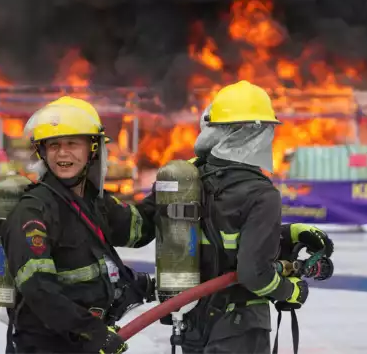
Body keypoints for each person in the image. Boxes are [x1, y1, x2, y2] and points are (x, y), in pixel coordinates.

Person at [136, 79, 334, 354]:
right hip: (240, 329)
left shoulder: (189, 180)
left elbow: (219, 233)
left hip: (193, 322)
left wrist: (286, 233)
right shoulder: (261, 194)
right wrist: (291, 292)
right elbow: (255, 275)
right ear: (258, 132)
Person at [0, 99, 156, 353]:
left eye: (72, 143)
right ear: (42, 152)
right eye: (54, 145)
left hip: (84, 344)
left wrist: (172, 190)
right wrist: (93, 332)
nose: (62, 153)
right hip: (47, 346)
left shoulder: (94, 203)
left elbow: (139, 230)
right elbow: (39, 290)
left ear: (92, 149)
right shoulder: (34, 211)